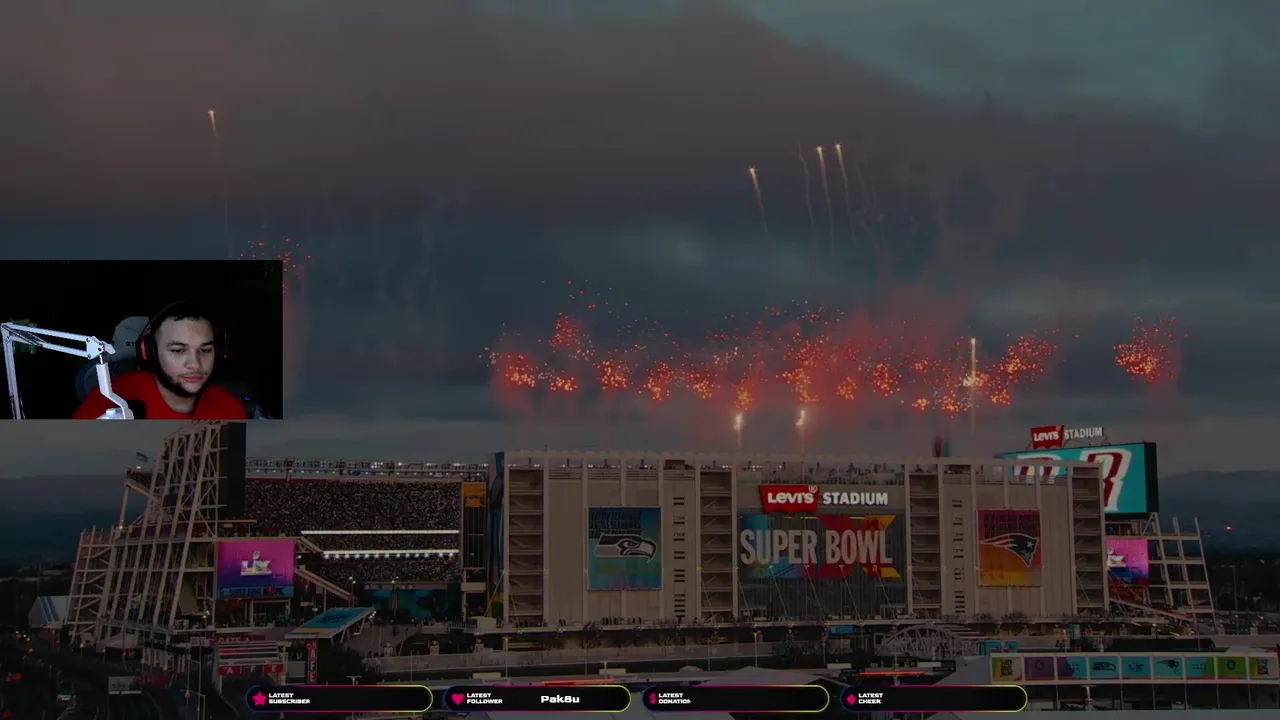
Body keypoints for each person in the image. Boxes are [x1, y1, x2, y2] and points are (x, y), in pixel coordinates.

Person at [73, 300, 247, 420]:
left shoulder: (230, 407)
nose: (195, 364)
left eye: (205, 350)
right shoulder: (111, 397)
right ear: (150, 352)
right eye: (178, 350)